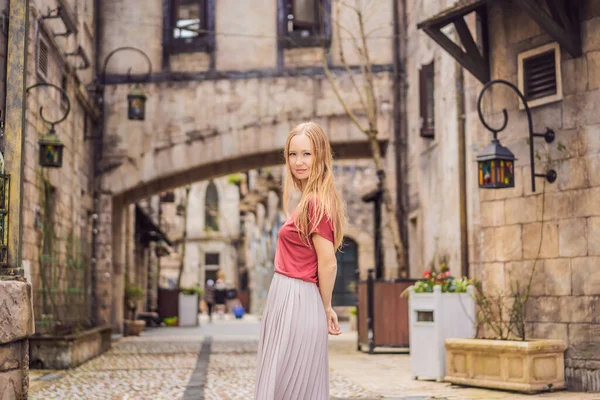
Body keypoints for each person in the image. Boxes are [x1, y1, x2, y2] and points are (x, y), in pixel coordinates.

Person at [254, 121, 346, 400]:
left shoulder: (315, 202)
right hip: (292, 297)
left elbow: (328, 262)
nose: (298, 162)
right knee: (290, 386)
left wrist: (326, 306)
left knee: (289, 387)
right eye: (293, 154)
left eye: (306, 154)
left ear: (320, 155)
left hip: (297, 298)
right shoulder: (311, 199)